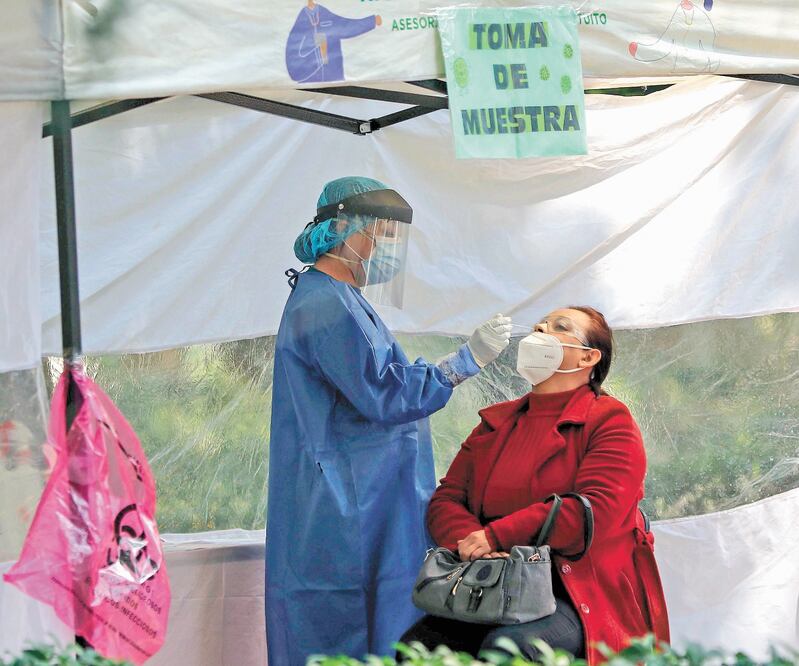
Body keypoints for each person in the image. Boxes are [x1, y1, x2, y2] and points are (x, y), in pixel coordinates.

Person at [265, 176, 513, 665]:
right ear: (345, 230)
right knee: (348, 630)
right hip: (348, 506)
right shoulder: (323, 305)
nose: (388, 249)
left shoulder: (340, 299)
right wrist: (462, 363)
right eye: (383, 234)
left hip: (366, 498)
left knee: (379, 626)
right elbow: (384, 393)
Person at [401, 307, 670, 665]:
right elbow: (447, 499)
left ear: (589, 357)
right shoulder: (494, 424)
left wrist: (496, 537)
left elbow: (593, 512)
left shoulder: (610, 422)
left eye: (560, 327)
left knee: (509, 650)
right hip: (495, 585)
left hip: (574, 593)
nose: (541, 328)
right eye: (540, 324)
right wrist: (473, 543)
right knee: (419, 646)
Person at [285, 0, 382, 83]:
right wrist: (319, 55)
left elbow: (347, 27)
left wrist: (372, 21)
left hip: (334, 79)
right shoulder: (300, 22)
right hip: (308, 83)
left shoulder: (326, 15)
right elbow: (292, 58)